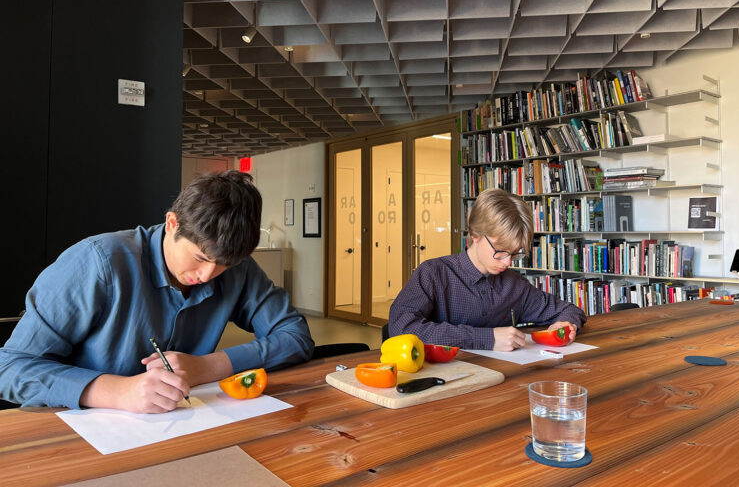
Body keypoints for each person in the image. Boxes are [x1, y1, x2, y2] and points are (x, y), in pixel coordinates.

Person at [0, 171, 314, 413]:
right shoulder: (96, 263)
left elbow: (295, 336)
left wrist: (207, 366)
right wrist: (118, 392)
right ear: (173, 224)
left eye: (224, 265)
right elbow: (10, 368)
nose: (208, 275)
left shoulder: (235, 267)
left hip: (175, 428)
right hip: (75, 432)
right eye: (201, 258)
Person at [388, 188, 586, 350]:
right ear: (475, 234)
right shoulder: (433, 274)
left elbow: (569, 310)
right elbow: (400, 329)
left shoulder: (514, 285)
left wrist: (566, 324)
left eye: (515, 253)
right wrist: (487, 338)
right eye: (500, 251)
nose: (508, 262)